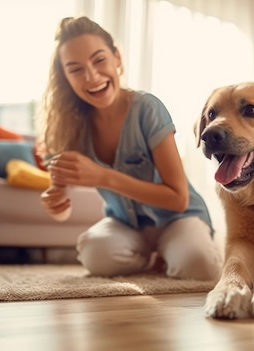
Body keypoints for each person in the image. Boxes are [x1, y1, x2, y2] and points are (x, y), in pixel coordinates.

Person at [38, 16, 221, 281]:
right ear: (65, 77)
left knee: (198, 265)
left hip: (179, 218)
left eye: (99, 60)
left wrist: (102, 176)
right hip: (127, 225)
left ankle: (174, 250)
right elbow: (61, 199)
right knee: (95, 255)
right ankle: (152, 258)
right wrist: (56, 205)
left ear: (117, 58)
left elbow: (178, 197)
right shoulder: (70, 126)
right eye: (75, 69)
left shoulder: (147, 108)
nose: (91, 76)